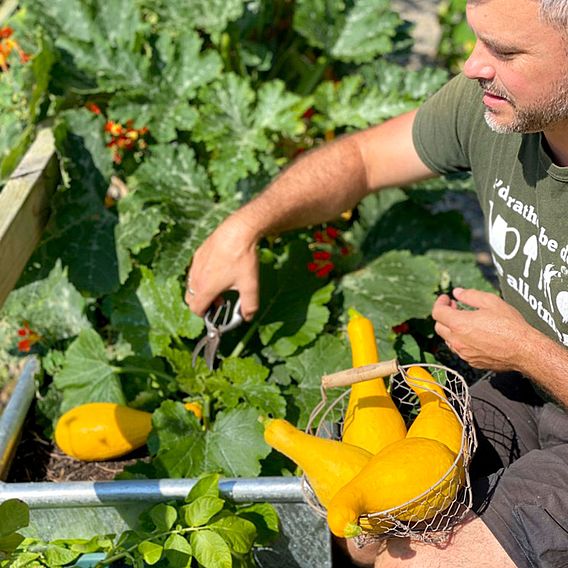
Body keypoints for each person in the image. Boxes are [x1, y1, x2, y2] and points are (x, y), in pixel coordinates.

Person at [186, 0, 568, 565]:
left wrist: (523, 350)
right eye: (477, 40)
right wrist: (244, 227)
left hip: (539, 382)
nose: (471, 65)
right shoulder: (496, 106)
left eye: (504, 51)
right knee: (365, 526)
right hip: (525, 392)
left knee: (423, 561)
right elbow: (363, 160)